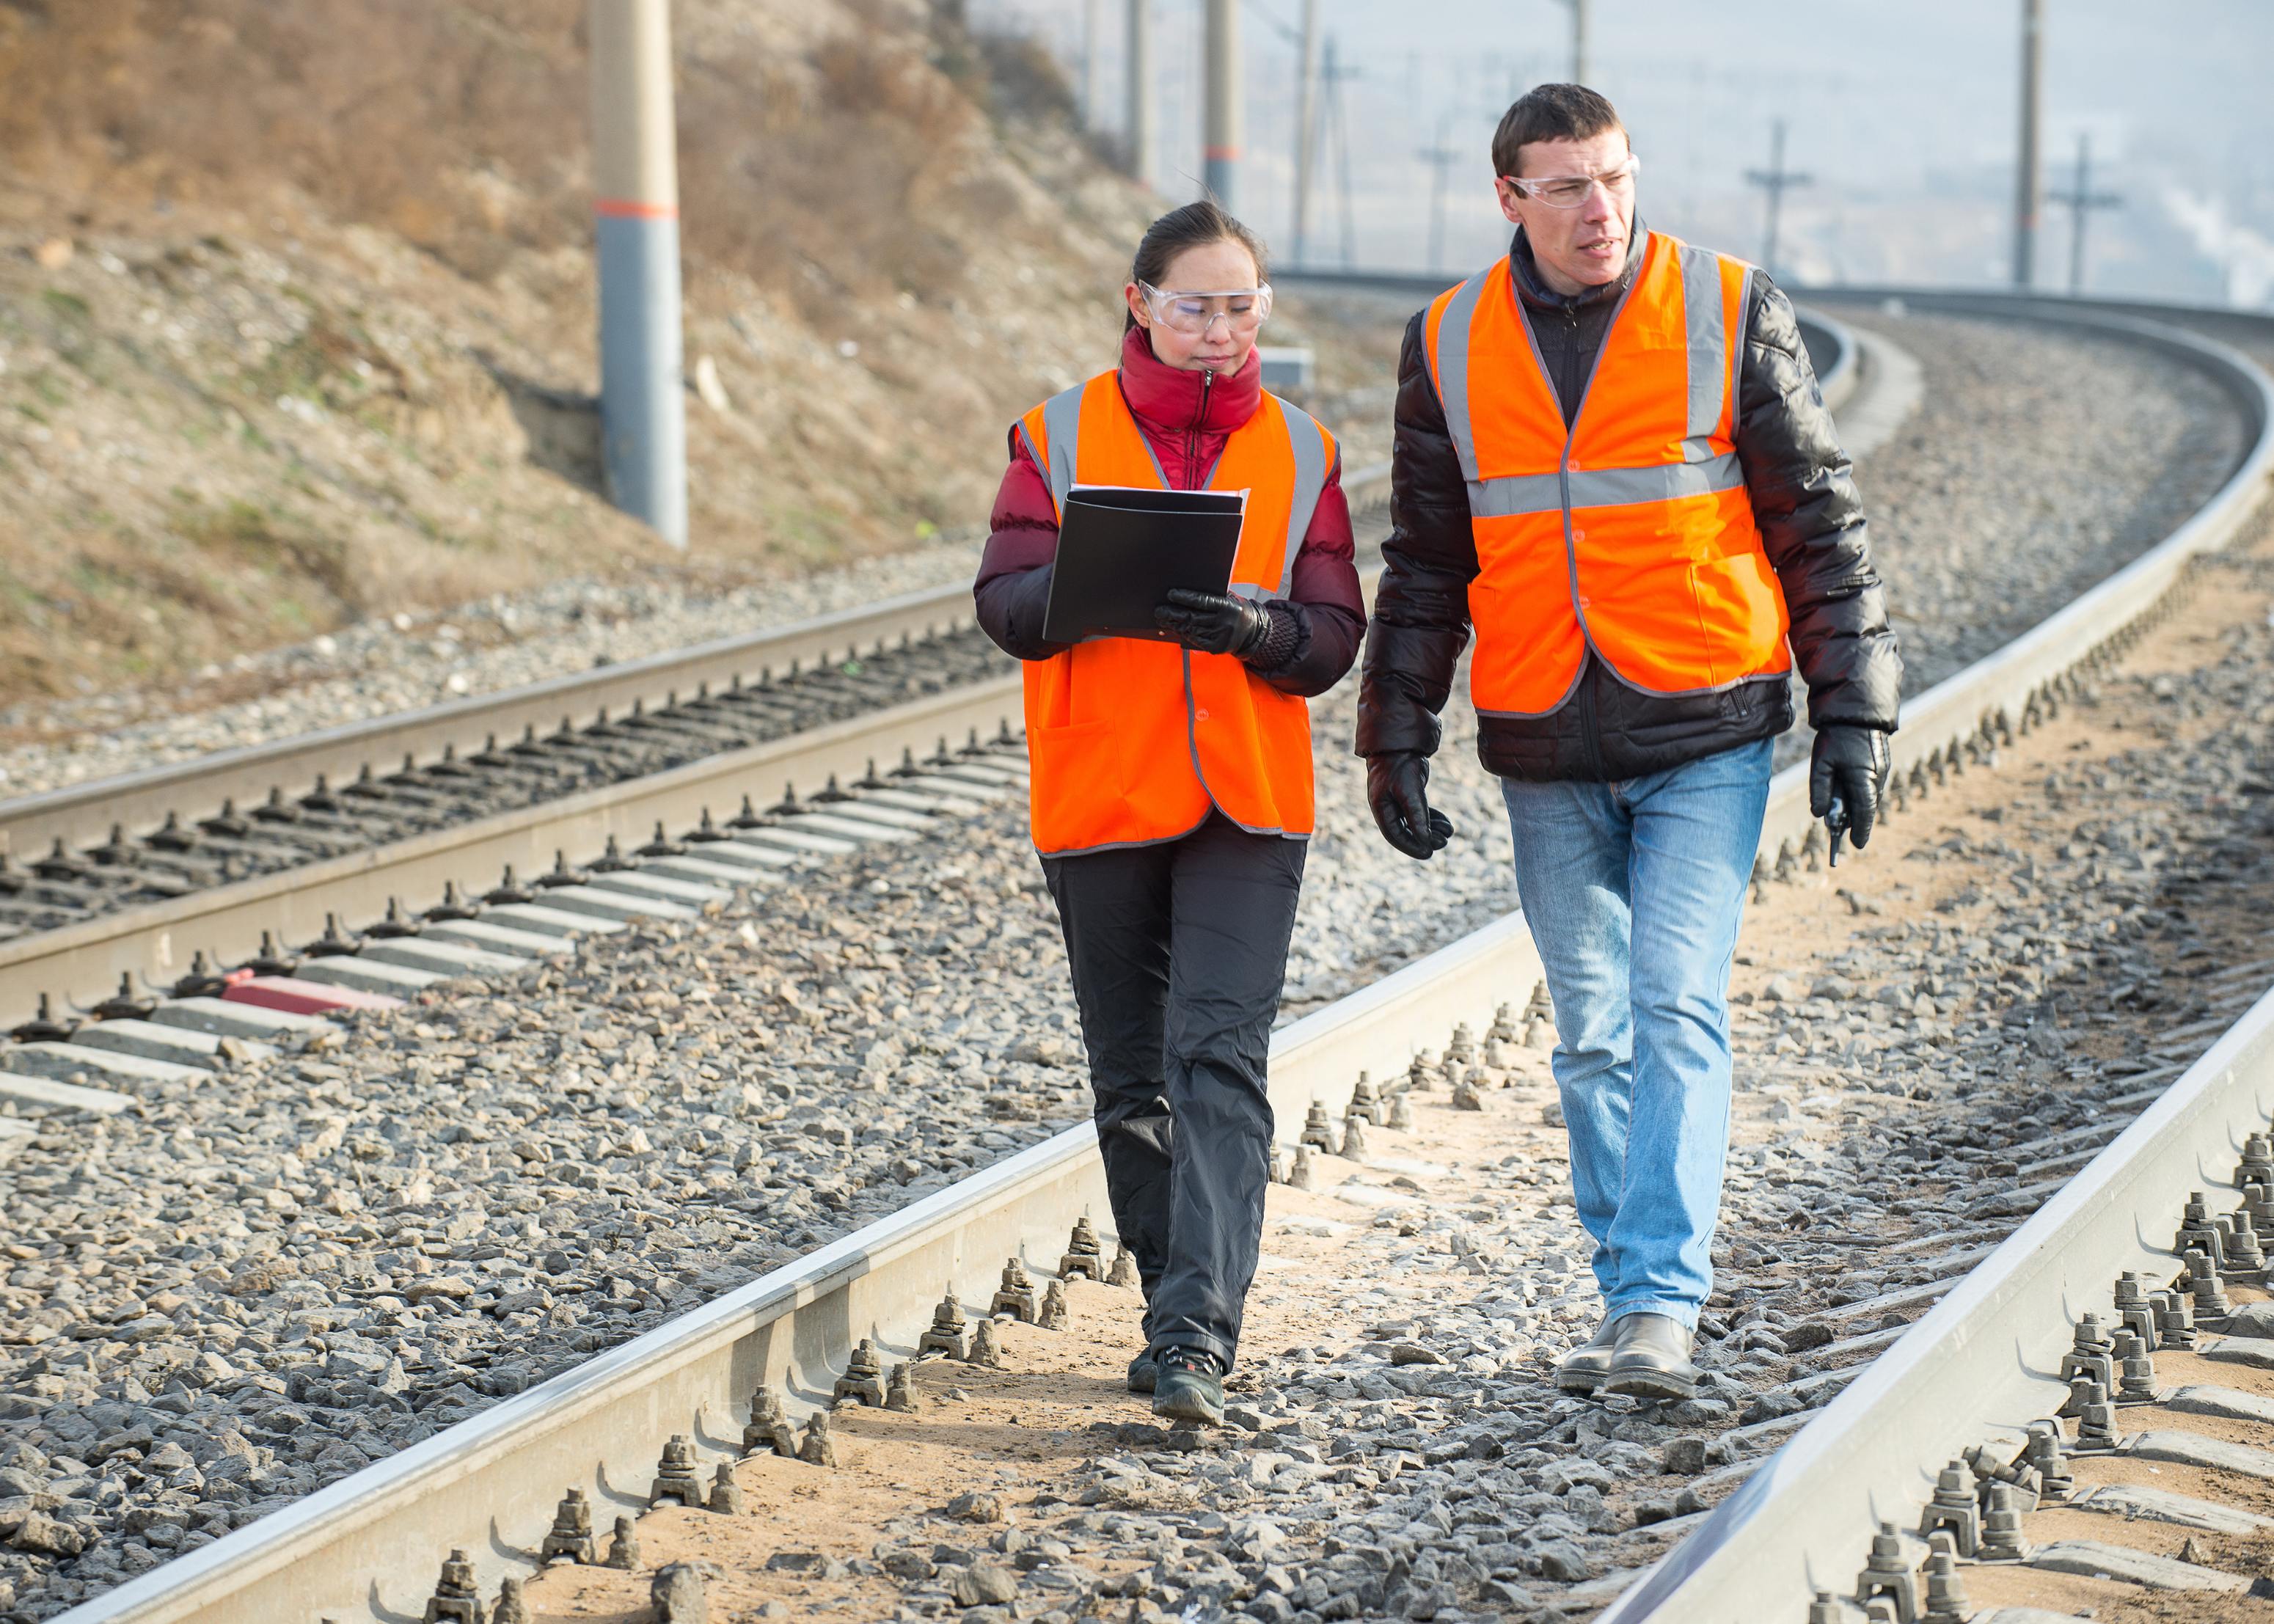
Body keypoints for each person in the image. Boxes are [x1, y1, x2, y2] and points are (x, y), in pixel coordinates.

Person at [1356, 85, 1901, 1400]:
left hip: (1706, 720)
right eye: (1566, 187)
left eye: (1613, 178)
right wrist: (1396, 731)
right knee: (1591, 1030)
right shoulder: (1446, 342)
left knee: (1672, 1003)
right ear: (1511, 200)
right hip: (1545, 731)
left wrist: (1852, 712)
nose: (1599, 208)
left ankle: (1660, 1300)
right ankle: (1626, 1294)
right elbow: (1430, 561)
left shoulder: (1726, 304)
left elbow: (1817, 521)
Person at [974, 202, 1364, 1424]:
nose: (1219, 329)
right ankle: (1169, 1304)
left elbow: (1334, 631)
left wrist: (1264, 630)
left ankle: (1200, 1332)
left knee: (1220, 1058)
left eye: (1241, 306)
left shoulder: (1305, 449)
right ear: (1140, 301)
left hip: (1247, 800)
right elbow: (1004, 601)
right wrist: (1094, 587)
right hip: (1104, 788)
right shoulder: (1059, 433)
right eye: (1195, 305)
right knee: (1131, 1074)